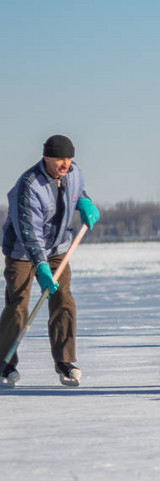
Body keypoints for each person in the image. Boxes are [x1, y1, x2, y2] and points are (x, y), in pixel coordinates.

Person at [0, 135, 100, 388]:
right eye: (59, 159)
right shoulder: (29, 186)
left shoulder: (74, 173)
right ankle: (4, 361)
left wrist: (84, 201)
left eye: (68, 158)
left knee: (63, 298)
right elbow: (29, 233)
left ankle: (65, 361)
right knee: (19, 303)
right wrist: (41, 266)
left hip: (57, 246)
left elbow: (76, 192)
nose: (65, 164)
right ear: (46, 158)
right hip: (22, 250)